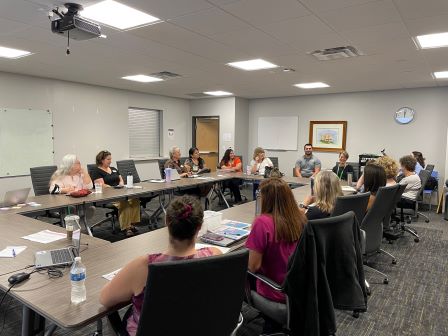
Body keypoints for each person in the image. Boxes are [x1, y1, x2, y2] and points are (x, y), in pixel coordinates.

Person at [100, 196, 221, 336]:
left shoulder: (144, 267)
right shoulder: (214, 255)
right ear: (199, 226)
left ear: (166, 222)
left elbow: (104, 299)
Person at [246, 178, 307, 303]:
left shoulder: (262, 223)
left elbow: (253, 267)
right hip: (299, 286)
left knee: (229, 271)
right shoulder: (300, 217)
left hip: (275, 289)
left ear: (266, 199)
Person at [91, 150, 141, 237]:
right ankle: (127, 228)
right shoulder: (96, 171)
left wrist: (121, 184)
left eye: (111, 159)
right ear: (101, 160)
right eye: (108, 159)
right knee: (124, 202)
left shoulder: (113, 169)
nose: (110, 161)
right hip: (107, 196)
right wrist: (114, 188)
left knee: (135, 199)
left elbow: (120, 179)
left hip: (120, 192)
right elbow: (102, 185)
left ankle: (132, 224)